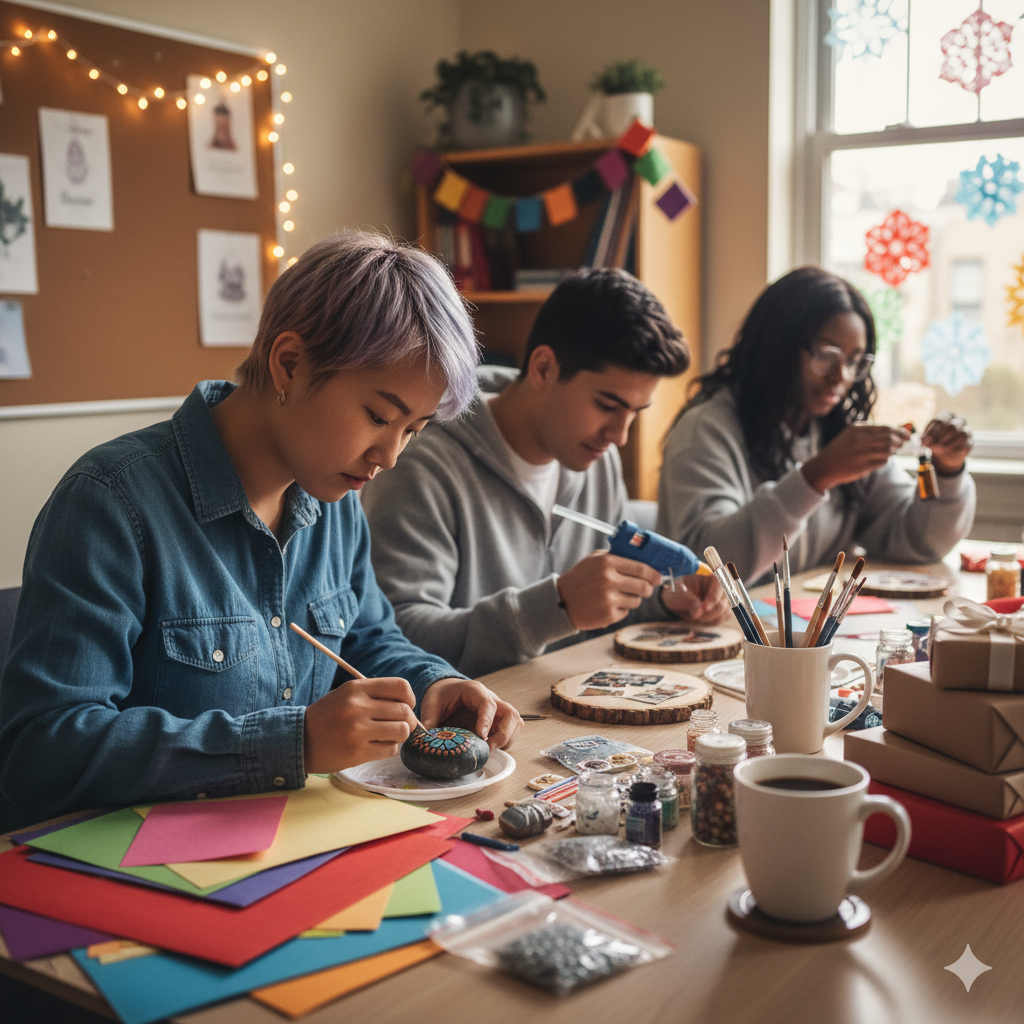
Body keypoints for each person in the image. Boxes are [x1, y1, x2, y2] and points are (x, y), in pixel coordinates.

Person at [0, 233, 522, 831]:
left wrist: (435, 682)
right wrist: (292, 743)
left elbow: (368, 640)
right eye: (378, 416)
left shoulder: (335, 498)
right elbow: (42, 752)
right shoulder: (110, 502)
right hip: (131, 863)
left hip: (297, 839)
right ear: (289, 364)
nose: (389, 456)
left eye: (413, 429)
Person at [361, 268, 729, 679]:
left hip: (559, 699)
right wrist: (555, 607)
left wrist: (663, 601)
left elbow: (590, 619)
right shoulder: (422, 464)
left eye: (634, 413)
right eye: (607, 405)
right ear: (542, 368)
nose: (619, 436)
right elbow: (397, 643)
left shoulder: (597, 459)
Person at [657, 266, 976, 585]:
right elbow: (708, 570)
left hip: (807, 616)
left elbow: (920, 543)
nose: (841, 377)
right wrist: (815, 477)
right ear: (776, 346)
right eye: (826, 355)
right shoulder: (706, 430)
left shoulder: (833, 429)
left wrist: (947, 471)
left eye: (854, 361)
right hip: (732, 619)